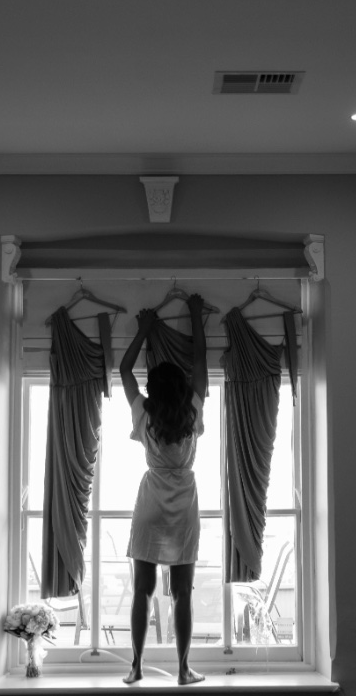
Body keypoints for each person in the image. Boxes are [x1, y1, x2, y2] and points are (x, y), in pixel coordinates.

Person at [118, 293, 208, 686]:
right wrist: (195, 314)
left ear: (154, 389)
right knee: (182, 593)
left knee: (143, 590)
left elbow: (124, 369)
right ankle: (184, 670)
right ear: (182, 386)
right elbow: (201, 360)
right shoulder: (192, 407)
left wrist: (144, 329)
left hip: (151, 499)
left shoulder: (145, 412)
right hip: (184, 500)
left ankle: (136, 667)